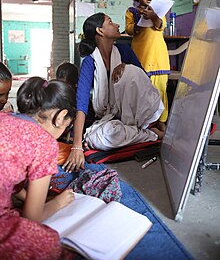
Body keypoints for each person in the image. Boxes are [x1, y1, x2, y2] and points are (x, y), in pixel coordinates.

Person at [62, 13, 165, 173]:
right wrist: (77, 146)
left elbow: (144, 82)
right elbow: (81, 105)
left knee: (131, 72)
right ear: (100, 31)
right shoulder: (90, 61)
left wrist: (125, 67)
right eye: (110, 22)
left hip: (138, 113)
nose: (117, 25)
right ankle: (149, 134)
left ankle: (140, 130)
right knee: (98, 138)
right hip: (111, 120)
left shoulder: (125, 51)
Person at [0, 76, 77, 259]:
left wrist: (26, 197)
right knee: (49, 242)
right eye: (67, 126)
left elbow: (7, 173)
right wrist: (57, 203)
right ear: (60, 117)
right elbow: (31, 218)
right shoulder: (44, 142)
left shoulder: (4, 117)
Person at [125, 0, 170, 130]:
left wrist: (153, 16)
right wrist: (138, 24)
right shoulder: (131, 11)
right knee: (143, 91)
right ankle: (146, 122)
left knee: (160, 89)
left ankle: (161, 121)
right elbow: (130, 30)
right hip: (140, 57)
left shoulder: (158, 11)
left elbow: (160, 25)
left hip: (158, 58)